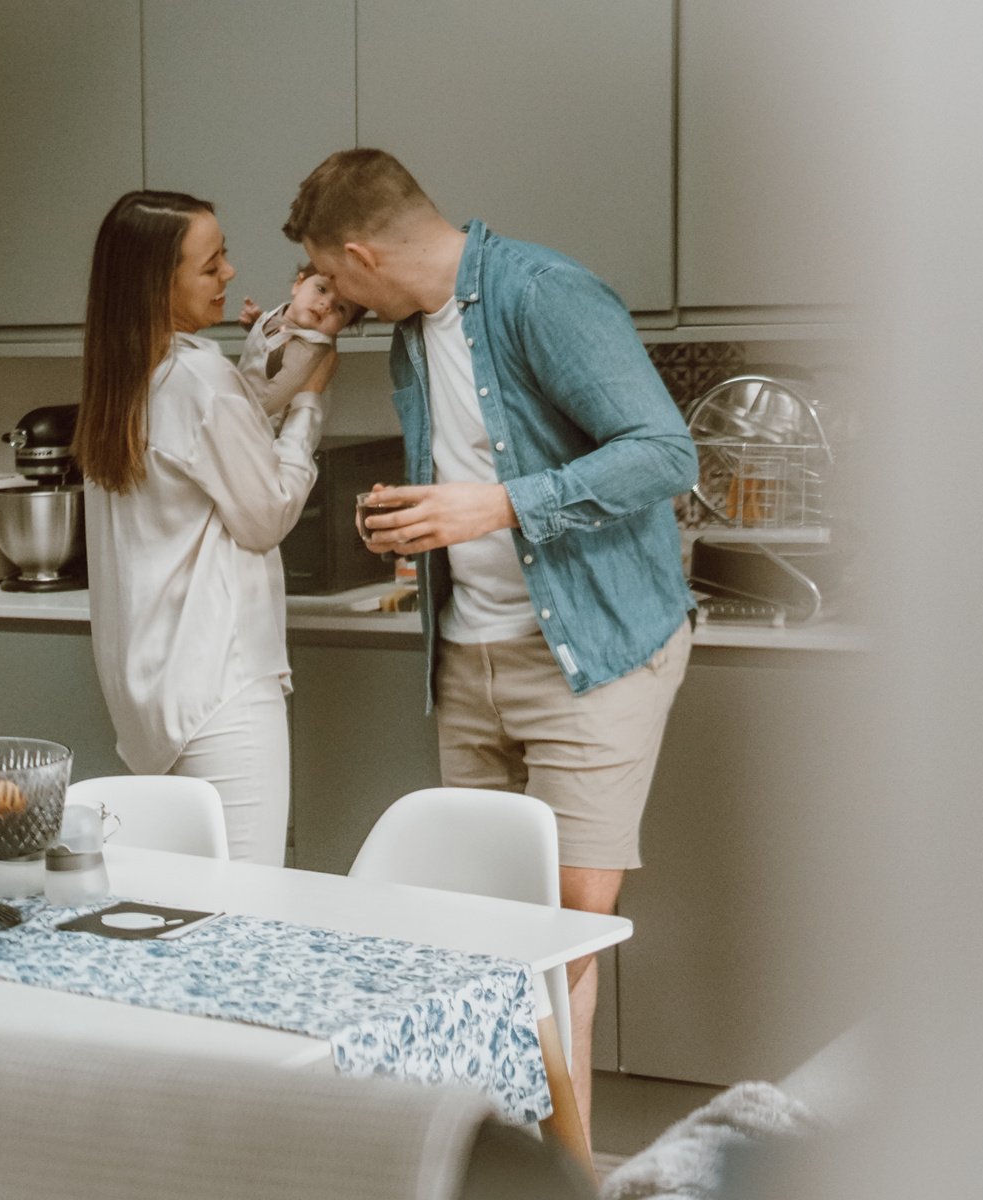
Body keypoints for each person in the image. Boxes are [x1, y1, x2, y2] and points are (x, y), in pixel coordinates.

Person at [283, 149, 696, 1141]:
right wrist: (420, 526)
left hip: (592, 654)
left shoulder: (543, 296)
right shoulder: (407, 336)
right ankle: (486, 1163)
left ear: (361, 251)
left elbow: (664, 452)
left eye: (333, 279)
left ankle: (567, 1172)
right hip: (467, 660)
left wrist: (501, 505)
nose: (332, 296)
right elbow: (466, 477)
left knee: (555, 944)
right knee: (473, 945)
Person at [74, 190, 338, 866]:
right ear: (158, 285)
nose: (228, 273)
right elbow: (269, 513)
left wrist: (295, 333)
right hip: (223, 692)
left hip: (151, 701)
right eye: (211, 263)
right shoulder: (195, 375)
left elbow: (233, 419)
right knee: (247, 917)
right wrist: (309, 404)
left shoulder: (127, 378)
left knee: (178, 918)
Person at [235, 265, 364, 421]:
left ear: (343, 326)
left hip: (262, 423)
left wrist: (241, 420)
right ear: (298, 284)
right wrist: (258, 324)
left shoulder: (308, 350)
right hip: (243, 399)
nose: (327, 305)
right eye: (322, 289)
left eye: (341, 308)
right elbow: (276, 348)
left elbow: (276, 395)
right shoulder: (287, 317)